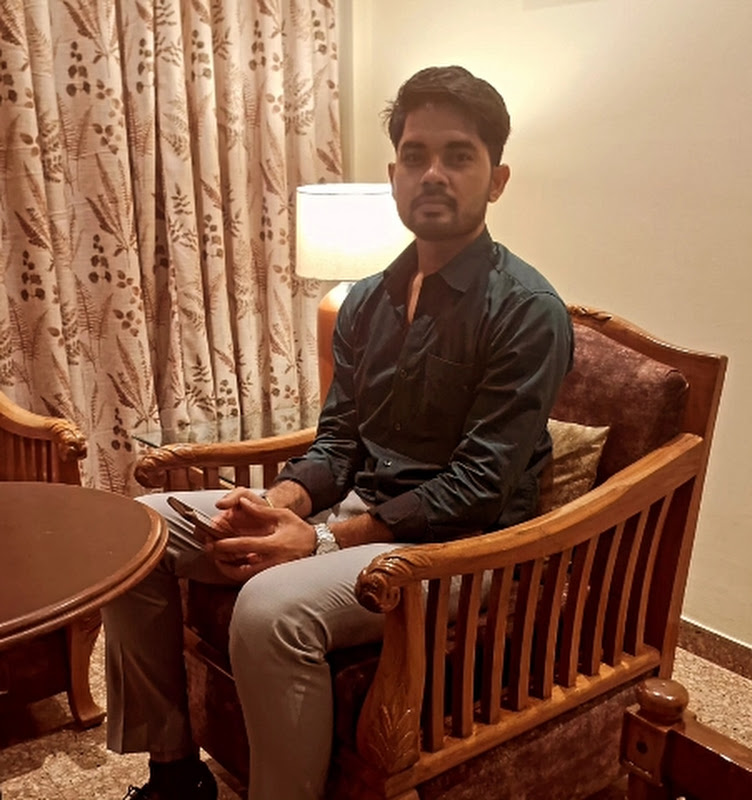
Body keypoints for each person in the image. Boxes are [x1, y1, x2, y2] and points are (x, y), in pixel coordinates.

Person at [104, 64, 574, 800]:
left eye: (458, 155)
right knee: (136, 534)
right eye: (416, 155)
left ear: (497, 179)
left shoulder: (526, 311)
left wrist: (321, 541)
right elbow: (339, 442)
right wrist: (278, 505)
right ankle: (174, 773)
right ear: (394, 176)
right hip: (363, 517)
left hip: (464, 551)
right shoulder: (367, 302)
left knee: (269, 610)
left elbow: (481, 487)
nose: (433, 173)